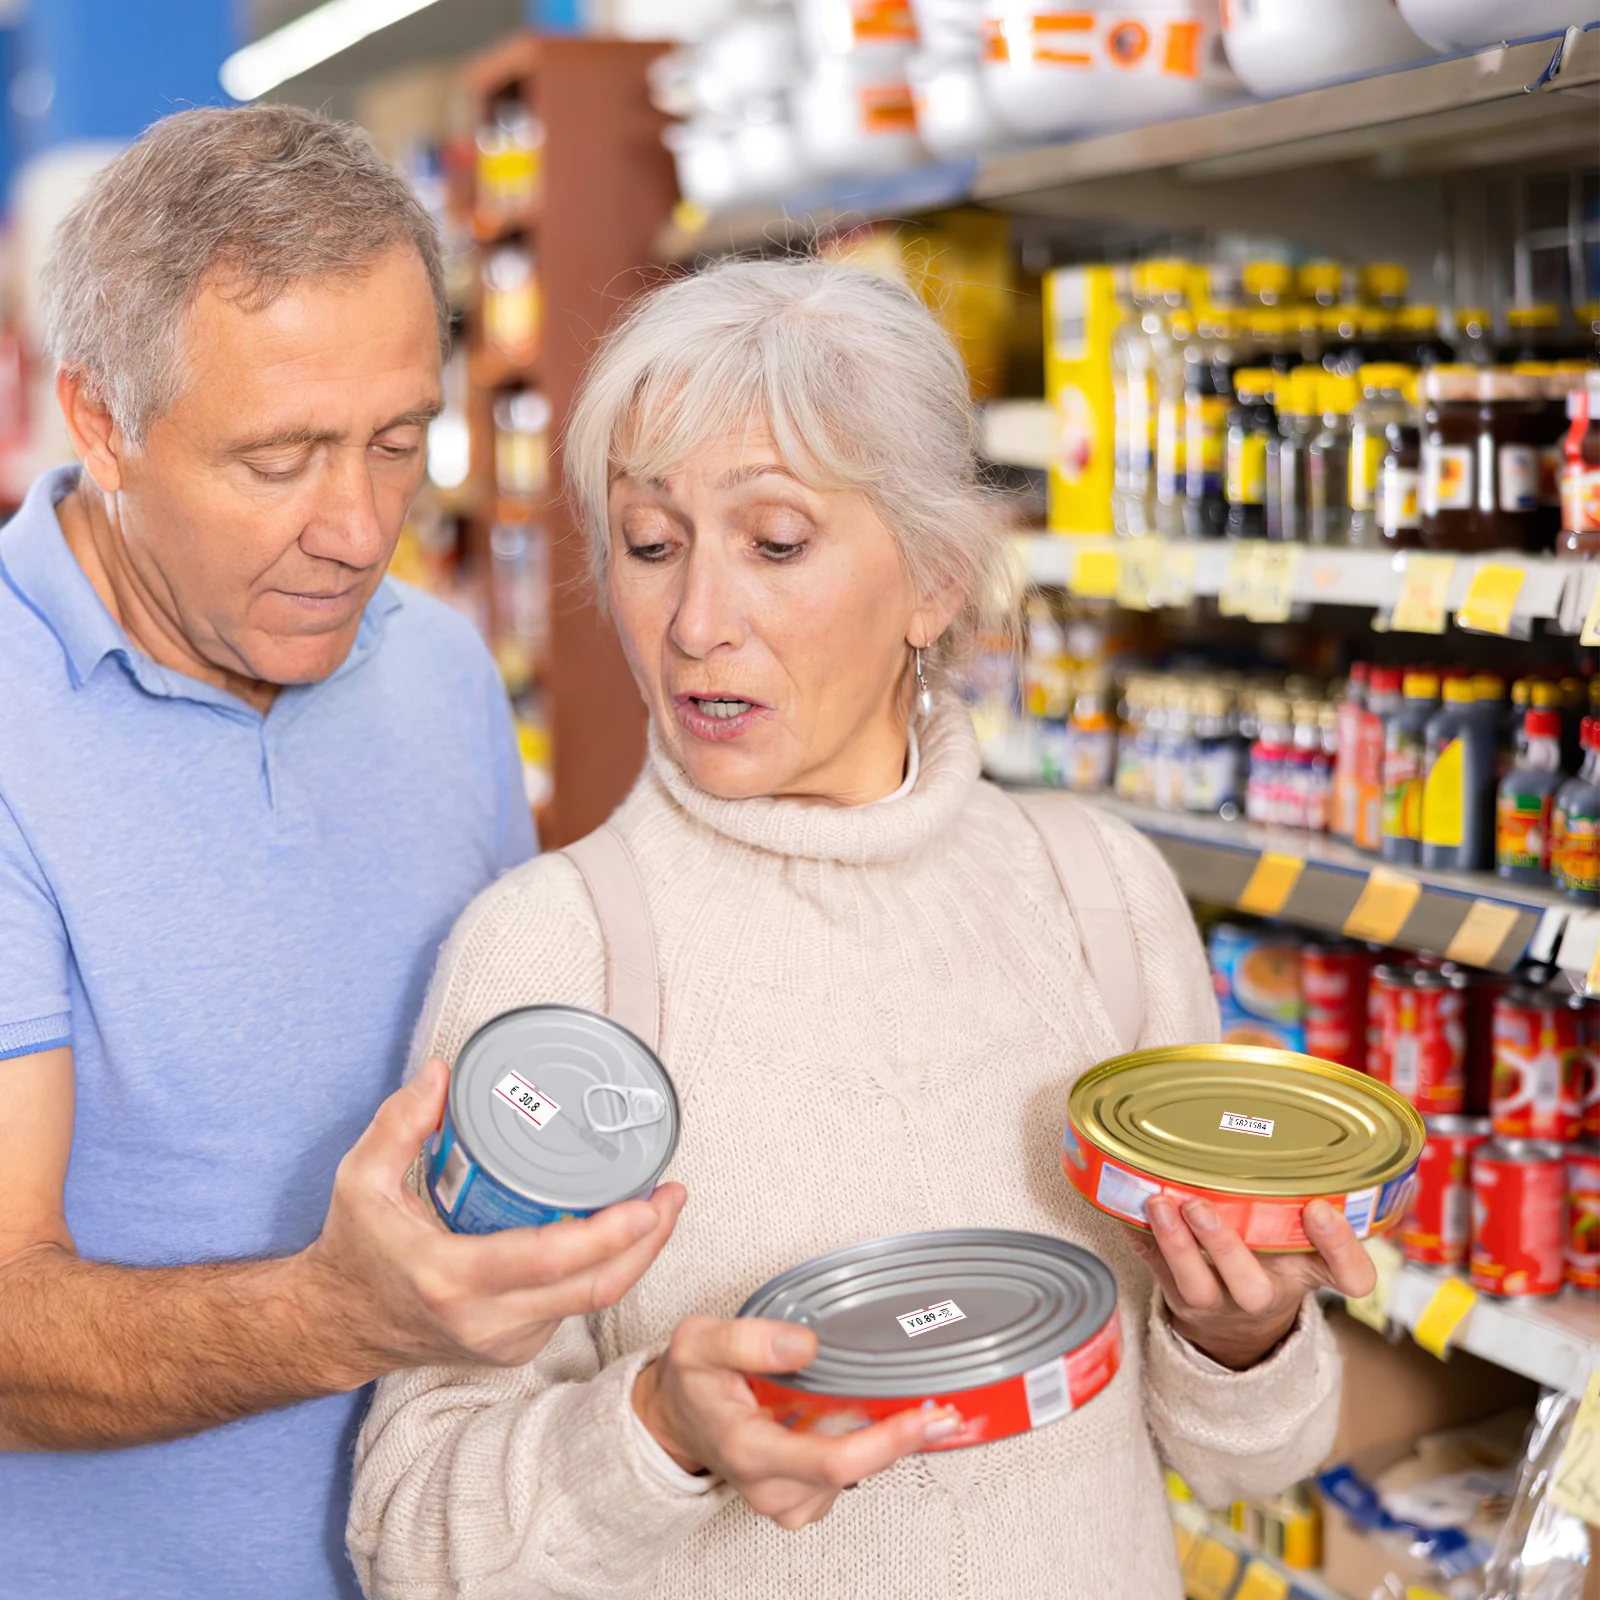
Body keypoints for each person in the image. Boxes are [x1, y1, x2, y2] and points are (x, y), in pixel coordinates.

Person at [348, 259, 1373, 1600]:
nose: (696, 623)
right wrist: (655, 1433)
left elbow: (1251, 1460)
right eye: (651, 545)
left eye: (776, 544)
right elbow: (413, 1532)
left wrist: (1239, 1332)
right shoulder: (555, 957)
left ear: (936, 580)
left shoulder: (1100, 897)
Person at [0, 106, 682, 1600]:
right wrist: (337, 1316)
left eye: (397, 441)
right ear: (102, 423)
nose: (361, 530)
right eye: (279, 459)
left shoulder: (439, 669)